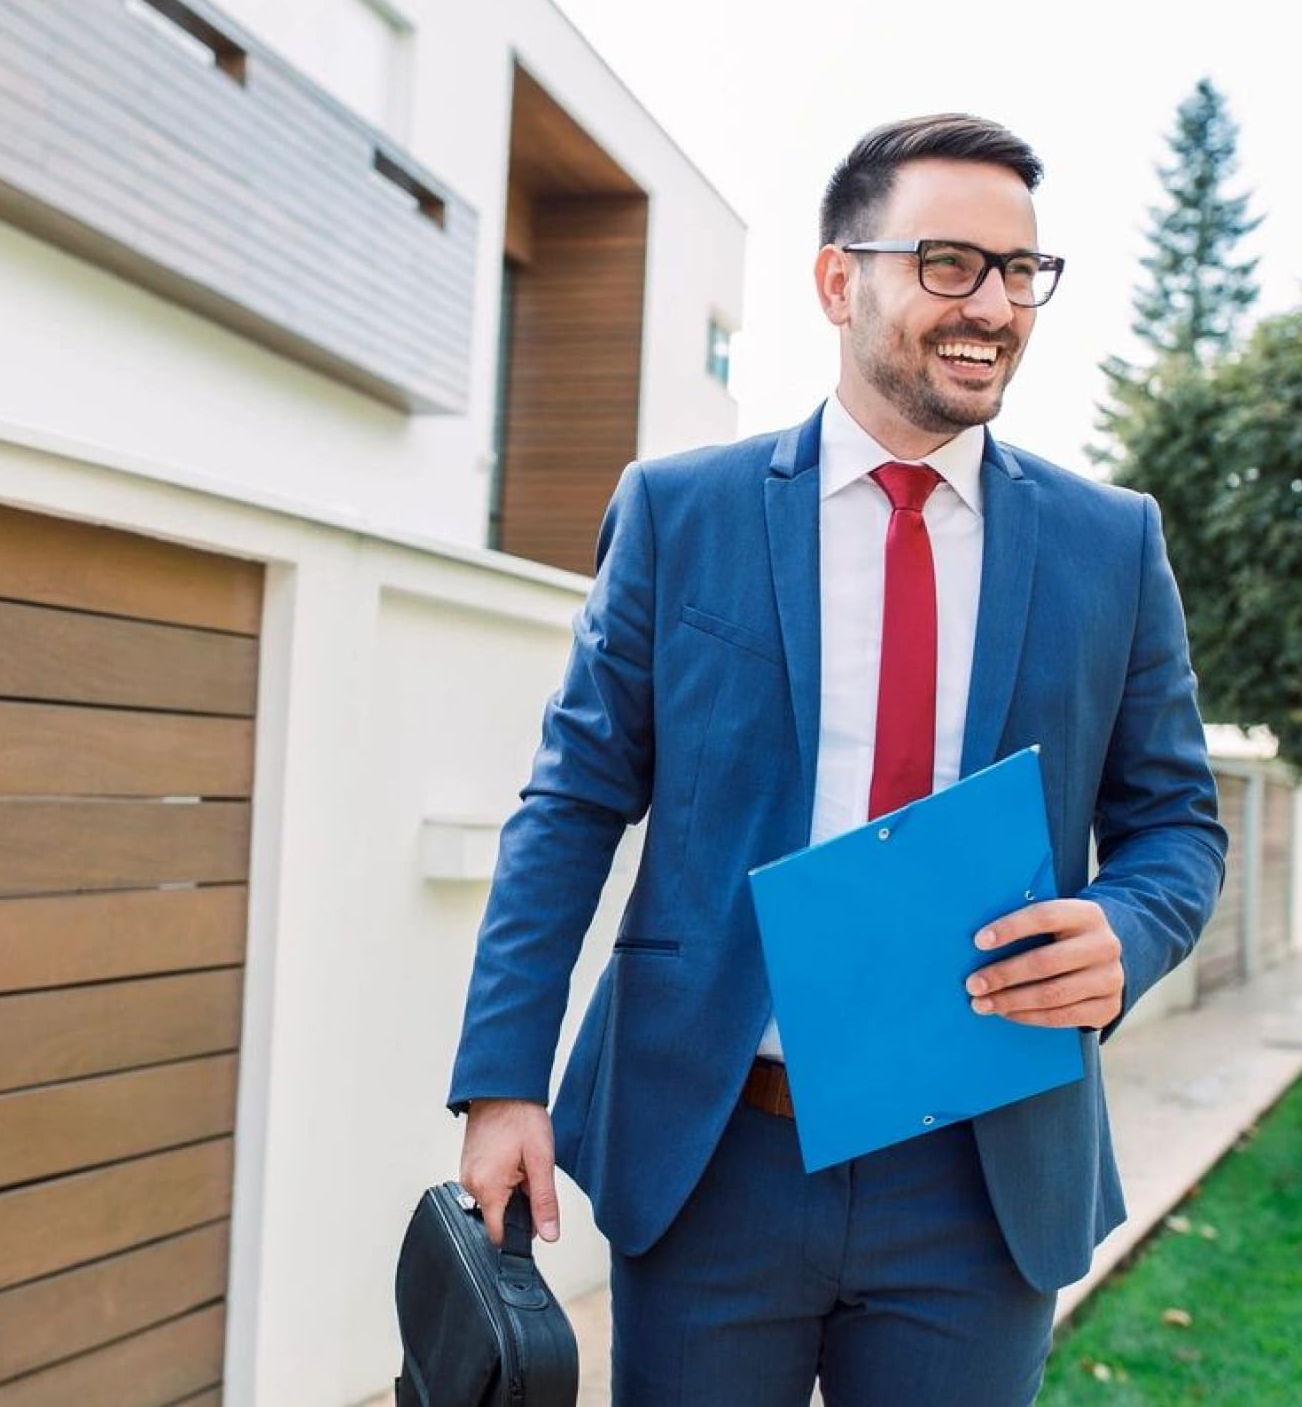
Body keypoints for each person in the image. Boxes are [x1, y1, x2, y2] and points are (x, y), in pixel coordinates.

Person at [447, 113, 1228, 1405]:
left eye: (1019, 271)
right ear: (835, 279)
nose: (991, 304)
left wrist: (1124, 930)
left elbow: (1176, 827)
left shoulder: (1109, 545)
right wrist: (499, 1081)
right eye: (946, 263)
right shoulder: (679, 512)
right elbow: (572, 802)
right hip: (714, 1159)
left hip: (981, 1178)